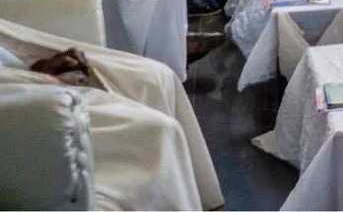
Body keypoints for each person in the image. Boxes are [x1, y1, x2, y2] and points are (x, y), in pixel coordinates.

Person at [0, 18, 223, 211]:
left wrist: (34, 65)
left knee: (153, 78)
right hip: (17, 104)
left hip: (16, 72)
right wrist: (36, 77)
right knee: (158, 133)